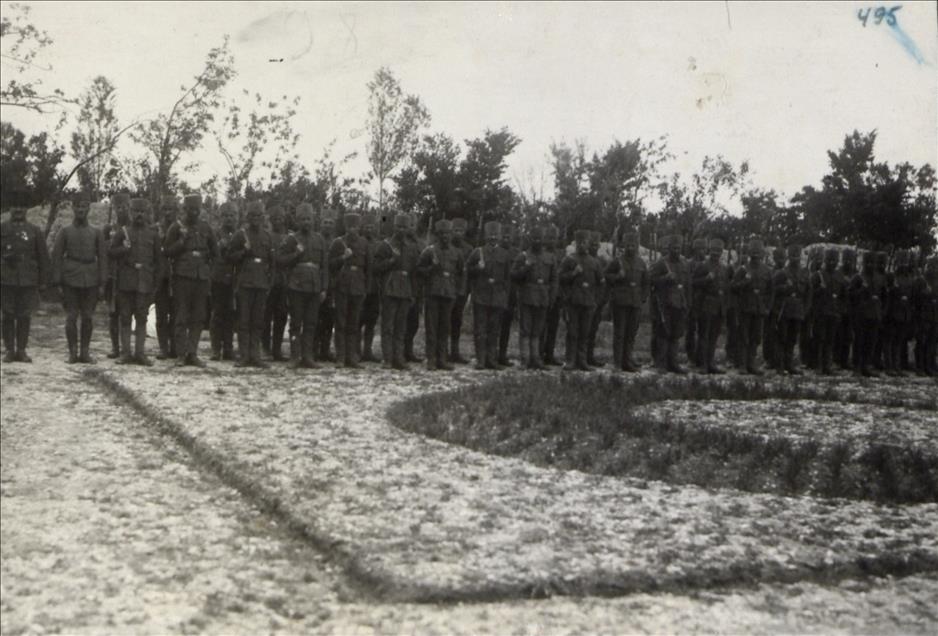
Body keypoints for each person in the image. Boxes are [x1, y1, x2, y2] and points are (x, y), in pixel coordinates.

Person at [51, 194, 107, 363]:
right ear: (73, 209)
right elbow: (56, 257)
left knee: (88, 317)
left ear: (88, 209)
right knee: (71, 317)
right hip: (70, 278)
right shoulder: (65, 232)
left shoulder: (96, 232)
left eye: (84, 206)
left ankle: (85, 352)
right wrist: (57, 281)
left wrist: (102, 283)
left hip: (91, 279)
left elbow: (103, 258)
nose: (81, 210)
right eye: (77, 207)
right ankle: (72, 352)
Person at [163, 193, 217, 367]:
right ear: (184, 209)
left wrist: (208, 270)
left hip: (201, 277)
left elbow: (215, 253)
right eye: (190, 209)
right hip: (182, 277)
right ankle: (181, 354)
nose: (193, 212)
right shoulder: (176, 227)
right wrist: (181, 241)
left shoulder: (206, 228)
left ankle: (192, 353)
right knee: (181, 316)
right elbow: (167, 251)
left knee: (199, 316)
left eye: (196, 209)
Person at [108, 198, 162, 365]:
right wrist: (123, 249)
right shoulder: (122, 232)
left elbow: (158, 262)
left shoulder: (152, 234)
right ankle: (125, 353)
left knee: (142, 318)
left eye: (142, 212)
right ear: (131, 213)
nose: (139, 215)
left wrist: (155, 284)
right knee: (125, 318)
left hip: (144, 283)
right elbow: (110, 252)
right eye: (136, 212)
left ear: (146, 214)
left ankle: (140, 353)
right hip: (126, 283)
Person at [277, 203, 328, 369]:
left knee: (311, 323)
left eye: (309, 219)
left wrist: (324, 288)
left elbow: (324, 266)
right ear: (297, 221)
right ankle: (294, 357)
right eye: (302, 219)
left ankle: (308, 357)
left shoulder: (319, 239)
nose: (306, 222)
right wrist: (296, 254)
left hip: (314, 286)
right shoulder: (292, 239)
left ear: (313, 220)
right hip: (296, 286)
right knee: (296, 323)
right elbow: (281, 260)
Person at [228, 200, 273, 368]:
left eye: (259, 215)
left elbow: (272, 262)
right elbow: (230, 257)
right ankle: (244, 356)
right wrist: (244, 251)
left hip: (261, 283)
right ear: (247, 217)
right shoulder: (241, 235)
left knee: (257, 321)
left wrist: (270, 282)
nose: (256, 218)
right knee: (244, 320)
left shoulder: (267, 236)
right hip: (245, 283)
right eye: (252, 215)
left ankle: (255, 356)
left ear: (263, 217)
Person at [1, 206, 50, 363]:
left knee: (24, 315)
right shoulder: (2, 228)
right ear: (10, 209)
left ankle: (21, 350)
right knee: (7, 314)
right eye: (15, 207)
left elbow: (43, 257)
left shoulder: (34, 231)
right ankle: (9, 350)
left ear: (26, 210)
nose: (18, 210)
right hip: (6, 278)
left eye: (22, 207)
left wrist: (43, 281)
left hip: (27, 279)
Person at [374, 213, 420, 369]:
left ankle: (399, 358)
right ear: (394, 227)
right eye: (399, 226)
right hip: (390, 287)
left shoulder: (412, 247)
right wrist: (391, 261)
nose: (401, 230)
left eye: (404, 227)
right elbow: (376, 267)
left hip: (406, 289)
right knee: (388, 325)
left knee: (401, 326)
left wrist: (413, 293)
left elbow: (414, 273)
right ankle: (387, 358)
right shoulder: (385, 245)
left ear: (408, 229)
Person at [417, 219, 463, 370]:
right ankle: (431, 359)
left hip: (449, 293)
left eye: (448, 233)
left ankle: (442, 359)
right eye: (442, 234)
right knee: (432, 327)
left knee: (445, 328)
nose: (445, 236)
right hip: (432, 293)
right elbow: (419, 270)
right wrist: (431, 268)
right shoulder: (429, 251)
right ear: (438, 235)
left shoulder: (457, 252)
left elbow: (461, 273)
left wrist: (457, 291)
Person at [511, 226, 557, 369]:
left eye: (540, 239)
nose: (537, 241)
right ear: (530, 240)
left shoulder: (550, 257)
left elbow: (554, 279)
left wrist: (552, 297)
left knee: (538, 330)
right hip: (527, 297)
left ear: (543, 241)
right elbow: (513, 275)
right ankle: (525, 360)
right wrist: (526, 267)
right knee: (526, 330)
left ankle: (536, 359)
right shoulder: (523, 256)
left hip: (543, 297)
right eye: (535, 239)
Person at [466, 221, 510, 370]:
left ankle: (491, 360)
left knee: (494, 330)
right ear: (486, 236)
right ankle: (481, 360)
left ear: (499, 236)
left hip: (497, 297)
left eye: (495, 234)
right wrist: (477, 268)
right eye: (490, 234)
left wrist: (504, 295)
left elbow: (507, 278)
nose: (493, 237)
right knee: (480, 330)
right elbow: (467, 270)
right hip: (481, 296)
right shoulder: (478, 252)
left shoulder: (505, 254)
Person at [329, 212, 370, 368]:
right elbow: (330, 264)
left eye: (355, 226)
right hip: (342, 286)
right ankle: (340, 357)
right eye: (349, 226)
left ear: (359, 227)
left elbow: (368, 267)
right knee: (341, 322)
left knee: (354, 323)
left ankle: (351, 357)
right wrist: (343, 258)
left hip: (358, 286)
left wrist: (366, 287)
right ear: (345, 227)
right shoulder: (338, 243)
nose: (352, 229)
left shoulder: (364, 243)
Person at [559, 229, 602, 371]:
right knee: (572, 332)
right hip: (573, 302)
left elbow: (600, 283)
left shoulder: (594, 262)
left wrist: (595, 300)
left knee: (585, 332)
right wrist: (573, 273)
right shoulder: (569, 259)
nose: (583, 245)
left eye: (585, 242)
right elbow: (560, 278)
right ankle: (570, 360)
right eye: (580, 242)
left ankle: (582, 361)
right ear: (576, 243)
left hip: (588, 303)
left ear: (589, 244)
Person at [731, 238, 774, 375]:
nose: (756, 256)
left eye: (758, 253)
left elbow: (770, 291)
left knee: (756, 337)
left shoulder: (767, 271)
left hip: (759, 308)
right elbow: (733, 287)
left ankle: (751, 364)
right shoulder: (742, 269)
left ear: (762, 254)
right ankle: (742, 364)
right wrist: (745, 282)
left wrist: (768, 307)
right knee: (743, 336)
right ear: (749, 254)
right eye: (753, 253)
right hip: (745, 307)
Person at [649, 235, 690, 374]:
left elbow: (687, 284)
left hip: (679, 303)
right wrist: (665, 278)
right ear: (669, 249)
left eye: (678, 248)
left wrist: (687, 303)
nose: (676, 250)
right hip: (665, 303)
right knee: (663, 333)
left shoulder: (684, 264)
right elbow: (651, 280)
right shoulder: (661, 263)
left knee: (676, 334)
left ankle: (673, 363)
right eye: (674, 248)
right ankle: (661, 363)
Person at [692, 238, 729, 374]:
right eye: (713, 251)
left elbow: (727, 287)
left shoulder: (724, 268)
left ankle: (711, 363)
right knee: (704, 335)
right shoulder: (703, 266)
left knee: (714, 336)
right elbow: (693, 282)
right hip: (705, 304)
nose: (716, 253)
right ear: (709, 251)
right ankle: (702, 364)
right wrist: (705, 280)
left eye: (718, 251)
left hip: (719, 306)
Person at [773, 244, 810, 375]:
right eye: (793, 256)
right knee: (782, 337)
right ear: (789, 257)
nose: (795, 259)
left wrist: (805, 309)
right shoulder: (782, 273)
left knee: (793, 339)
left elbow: (808, 293)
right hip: (785, 309)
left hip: (798, 310)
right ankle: (779, 366)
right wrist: (785, 288)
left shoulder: (804, 272)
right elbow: (773, 290)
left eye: (797, 256)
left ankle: (789, 365)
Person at [848, 251, 886, 377]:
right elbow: (850, 296)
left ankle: (866, 365)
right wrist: (861, 290)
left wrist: (881, 311)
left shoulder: (879, 278)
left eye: (872, 263)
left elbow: (884, 296)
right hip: (861, 315)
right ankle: (857, 367)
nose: (870, 265)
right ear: (864, 263)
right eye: (868, 262)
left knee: (871, 342)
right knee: (859, 341)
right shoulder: (857, 277)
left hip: (874, 314)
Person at [810, 248, 847, 376]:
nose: (832, 263)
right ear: (825, 260)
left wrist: (840, 310)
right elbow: (810, 295)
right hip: (821, 312)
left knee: (830, 341)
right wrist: (820, 290)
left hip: (834, 312)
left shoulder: (839, 276)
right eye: (829, 260)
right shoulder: (817, 275)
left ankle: (827, 365)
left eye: (834, 260)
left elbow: (843, 296)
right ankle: (818, 365)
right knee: (819, 339)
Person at [209, 201, 238, 361]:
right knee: (217, 313)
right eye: (226, 216)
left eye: (232, 215)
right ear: (220, 217)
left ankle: (228, 348)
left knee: (231, 314)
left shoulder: (241, 234)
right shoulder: (215, 234)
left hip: (235, 279)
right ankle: (215, 349)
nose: (229, 219)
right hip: (219, 278)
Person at [105, 193, 131, 359]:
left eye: (124, 207)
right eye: (118, 207)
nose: (121, 210)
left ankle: (126, 348)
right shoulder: (109, 229)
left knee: (126, 313)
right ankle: (115, 347)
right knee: (113, 314)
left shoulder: (132, 228)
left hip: (128, 275)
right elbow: (106, 252)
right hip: (112, 275)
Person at [262, 205, 289, 361]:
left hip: (285, 281)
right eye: (275, 219)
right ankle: (265, 347)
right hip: (269, 280)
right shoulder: (267, 236)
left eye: (280, 219)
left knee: (281, 315)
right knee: (266, 315)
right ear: (271, 221)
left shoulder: (290, 237)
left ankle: (277, 349)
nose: (278, 222)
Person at [883, 249, 916, 377]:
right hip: (891, 314)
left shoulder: (909, 278)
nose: (904, 264)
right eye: (901, 261)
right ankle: (889, 366)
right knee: (889, 341)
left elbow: (912, 297)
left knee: (898, 342)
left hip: (904, 315)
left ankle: (897, 366)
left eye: (905, 261)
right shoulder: (891, 277)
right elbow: (885, 295)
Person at [154, 195, 179, 359]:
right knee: (161, 314)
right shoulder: (155, 228)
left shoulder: (181, 228)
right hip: (160, 277)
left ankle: (175, 347)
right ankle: (163, 347)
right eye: (165, 209)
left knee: (177, 314)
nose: (168, 212)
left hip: (178, 276)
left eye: (171, 209)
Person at [448, 217, 472, 364]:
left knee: (457, 321)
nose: (458, 233)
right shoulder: (446, 245)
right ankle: (442, 351)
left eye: (461, 231)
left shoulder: (469, 249)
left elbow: (469, 271)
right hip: (447, 287)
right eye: (455, 230)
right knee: (445, 321)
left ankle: (455, 352)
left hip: (461, 289)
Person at [540, 224, 565, 366]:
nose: (551, 241)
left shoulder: (561, 255)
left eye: (554, 238)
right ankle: (539, 354)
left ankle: (549, 355)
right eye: (549, 238)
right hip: (543, 295)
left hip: (557, 296)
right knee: (541, 326)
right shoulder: (541, 254)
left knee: (553, 327)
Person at [315, 209, 338, 362]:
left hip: (332, 284)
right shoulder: (315, 239)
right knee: (315, 318)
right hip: (315, 282)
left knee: (329, 318)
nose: (327, 226)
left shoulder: (337, 242)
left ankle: (325, 349)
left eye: (330, 223)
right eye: (325, 222)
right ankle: (313, 349)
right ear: (320, 223)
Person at [359, 212, 382, 362]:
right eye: (366, 226)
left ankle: (367, 350)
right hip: (360, 286)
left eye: (371, 227)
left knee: (371, 320)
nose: (369, 229)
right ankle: (355, 351)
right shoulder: (359, 242)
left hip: (375, 287)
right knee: (358, 320)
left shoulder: (379, 245)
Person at [497, 224, 521, 366]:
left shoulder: (517, 253)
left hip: (510, 294)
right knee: (494, 326)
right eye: (504, 237)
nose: (506, 240)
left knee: (506, 326)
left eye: (508, 237)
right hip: (496, 293)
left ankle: (502, 355)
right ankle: (491, 354)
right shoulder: (495, 251)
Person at [403, 213, 426, 363]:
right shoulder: (400, 243)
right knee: (401, 321)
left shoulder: (420, 244)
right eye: (408, 225)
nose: (411, 228)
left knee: (413, 322)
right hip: (404, 285)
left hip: (418, 286)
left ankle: (408, 351)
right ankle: (398, 351)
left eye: (413, 225)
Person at [585, 230, 609, 367]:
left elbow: (604, 282)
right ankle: (579, 357)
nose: (594, 247)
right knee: (583, 330)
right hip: (584, 300)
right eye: (591, 244)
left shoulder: (602, 261)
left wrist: (602, 300)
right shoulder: (581, 259)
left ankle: (589, 357)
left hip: (597, 301)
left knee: (593, 330)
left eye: (596, 245)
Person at [834, 248, 858, 370]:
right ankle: (836, 360)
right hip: (839, 309)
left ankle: (844, 360)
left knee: (848, 337)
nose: (848, 262)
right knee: (838, 335)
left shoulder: (856, 274)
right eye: (846, 260)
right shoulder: (837, 273)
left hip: (851, 310)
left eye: (850, 260)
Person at [685, 237, 707, 367]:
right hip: (693, 300)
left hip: (705, 302)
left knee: (703, 331)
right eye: (700, 249)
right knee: (691, 330)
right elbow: (689, 282)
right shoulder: (689, 264)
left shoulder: (709, 263)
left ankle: (702, 357)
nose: (702, 252)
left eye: (704, 249)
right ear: (695, 250)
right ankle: (691, 357)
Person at [915, 256, 938, 376]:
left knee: (932, 343)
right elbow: (916, 298)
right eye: (930, 266)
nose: (933, 269)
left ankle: (930, 365)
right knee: (921, 343)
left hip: (934, 316)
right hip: (923, 316)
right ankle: (920, 366)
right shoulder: (921, 281)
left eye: (934, 266)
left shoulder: (936, 280)